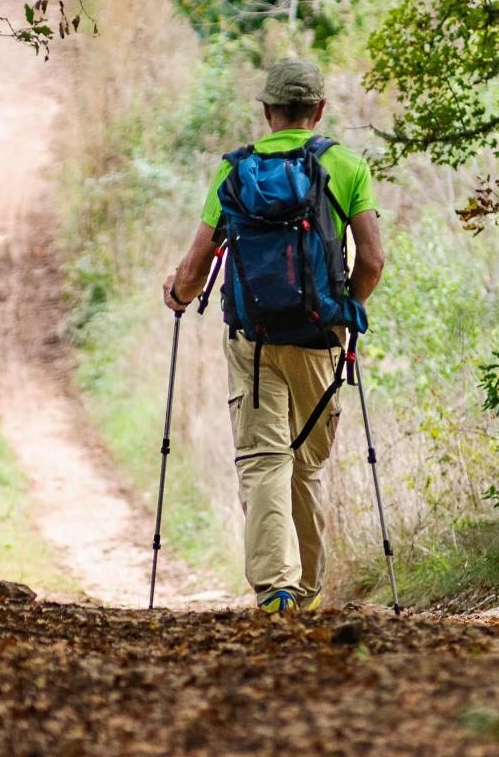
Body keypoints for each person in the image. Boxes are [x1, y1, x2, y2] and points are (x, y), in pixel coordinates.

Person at [163, 57, 384, 612]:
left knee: (263, 461)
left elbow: (194, 269)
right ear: (320, 109)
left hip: (252, 340)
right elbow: (374, 261)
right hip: (320, 338)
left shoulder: (234, 172)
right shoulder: (346, 165)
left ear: (267, 111)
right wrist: (346, 311)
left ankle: (275, 588)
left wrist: (176, 295)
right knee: (305, 463)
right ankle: (306, 590)